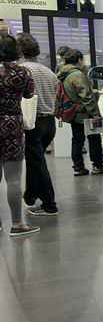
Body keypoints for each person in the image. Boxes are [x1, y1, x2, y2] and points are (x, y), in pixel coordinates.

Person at [0, 34, 39, 237]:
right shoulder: (22, 71)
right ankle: (17, 224)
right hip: (12, 125)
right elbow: (29, 94)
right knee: (13, 179)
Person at [17, 34, 59, 216]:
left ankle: (50, 204)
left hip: (32, 122)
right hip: (49, 122)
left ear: (19, 51)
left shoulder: (21, 71)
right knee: (35, 161)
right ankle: (30, 196)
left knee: (38, 163)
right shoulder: (48, 72)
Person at [57, 49, 103, 176]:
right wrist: (95, 114)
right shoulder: (77, 75)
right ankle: (97, 165)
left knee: (77, 140)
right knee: (94, 138)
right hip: (85, 112)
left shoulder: (64, 74)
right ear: (79, 60)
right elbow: (86, 96)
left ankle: (78, 167)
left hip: (73, 112)